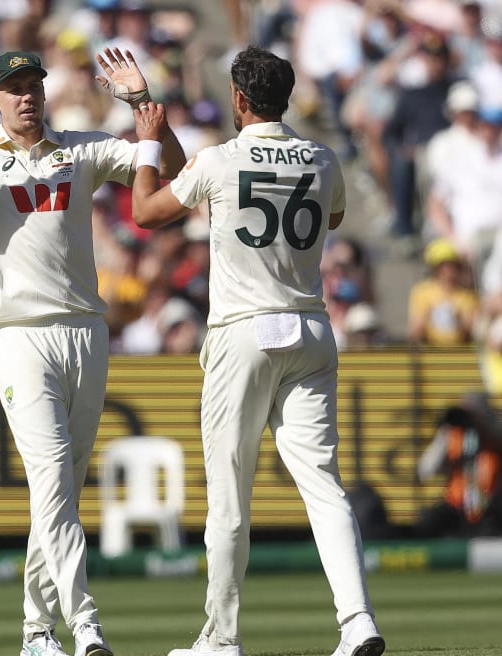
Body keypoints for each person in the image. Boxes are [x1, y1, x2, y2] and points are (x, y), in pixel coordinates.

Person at [0, 43, 186, 656]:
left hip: (86, 330)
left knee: (58, 492)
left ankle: (35, 631)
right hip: (20, 336)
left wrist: (141, 102)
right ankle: (85, 623)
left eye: (35, 85)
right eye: (15, 87)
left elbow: (173, 173)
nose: (28, 96)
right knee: (54, 477)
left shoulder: (81, 148)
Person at [129, 46, 384, 656]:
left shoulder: (218, 161)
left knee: (229, 496)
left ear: (240, 101)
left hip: (243, 329)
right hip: (311, 328)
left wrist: (146, 142)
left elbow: (144, 212)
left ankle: (221, 638)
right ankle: (357, 622)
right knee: (324, 486)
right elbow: (336, 217)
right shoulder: (323, 157)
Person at [415, 392, 502, 539]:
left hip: (491, 505)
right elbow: (426, 470)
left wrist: (484, 424)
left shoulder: (498, 436)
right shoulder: (453, 436)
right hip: (458, 506)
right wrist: (444, 433)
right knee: (430, 519)